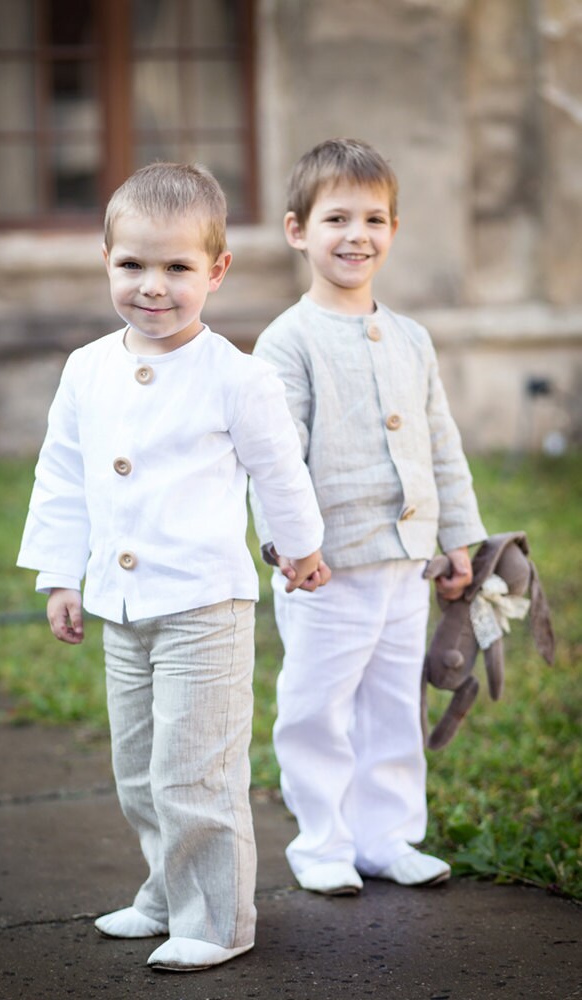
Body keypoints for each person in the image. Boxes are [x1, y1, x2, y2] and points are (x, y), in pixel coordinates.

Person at [17, 162, 328, 972]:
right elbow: (60, 474)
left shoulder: (238, 376)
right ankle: (165, 891)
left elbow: (279, 471)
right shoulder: (87, 368)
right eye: (133, 265)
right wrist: (60, 574)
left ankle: (218, 919)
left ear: (216, 271)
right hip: (122, 606)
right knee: (140, 769)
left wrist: (299, 548)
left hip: (203, 608)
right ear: (106, 258)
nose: (153, 286)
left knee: (197, 772)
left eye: (177, 268)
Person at [250, 138, 486, 896]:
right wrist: (291, 546)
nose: (357, 235)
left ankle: (387, 837)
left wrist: (460, 542)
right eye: (337, 218)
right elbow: (274, 456)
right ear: (297, 230)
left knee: (391, 702)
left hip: (403, 565)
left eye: (374, 218)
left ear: (393, 229)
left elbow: (439, 444)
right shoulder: (287, 341)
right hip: (326, 571)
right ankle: (323, 844)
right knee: (317, 708)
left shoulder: (411, 338)